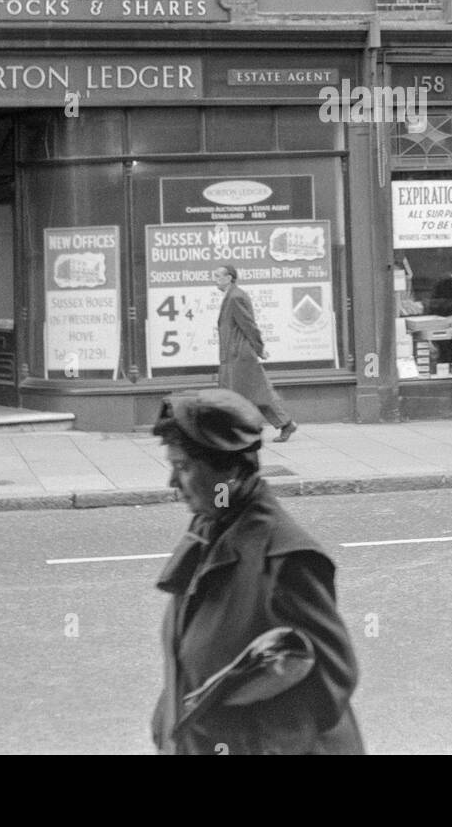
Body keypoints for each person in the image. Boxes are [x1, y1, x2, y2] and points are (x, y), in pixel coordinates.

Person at [149, 390, 364, 755]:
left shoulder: (286, 558)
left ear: (229, 471)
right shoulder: (210, 528)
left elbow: (333, 680)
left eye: (183, 467)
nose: (172, 482)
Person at [213, 264, 296, 442]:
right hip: (232, 354)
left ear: (229, 278)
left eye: (218, 276)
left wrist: (259, 349)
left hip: (240, 355)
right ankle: (283, 423)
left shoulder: (235, 297)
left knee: (250, 394)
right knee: (253, 394)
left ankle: (282, 423)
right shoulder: (231, 295)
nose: (215, 280)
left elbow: (249, 325)